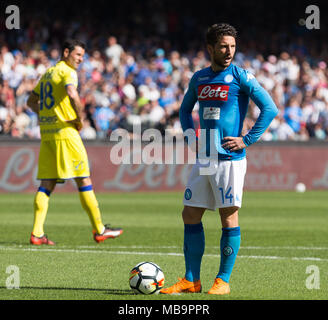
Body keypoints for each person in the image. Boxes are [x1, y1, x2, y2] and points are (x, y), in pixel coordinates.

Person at [160, 23, 278, 295]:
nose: (229, 52)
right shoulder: (199, 78)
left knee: (228, 217)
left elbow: (269, 109)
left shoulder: (241, 76)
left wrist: (246, 139)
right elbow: (185, 110)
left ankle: (222, 280)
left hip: (230, 158)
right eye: (223, 46)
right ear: (210, 47)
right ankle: (191, 280)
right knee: (189, 213)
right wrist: (191, 138)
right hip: (205, 158)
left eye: (233, 46)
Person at [27, 39, 123, 245]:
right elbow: (72, 94)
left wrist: (47, 115)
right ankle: (99, 229)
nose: (80, 59)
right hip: (65, 133)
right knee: (83, 179)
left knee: (47, 183)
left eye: (82, 56)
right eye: (77, 55)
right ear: (66, 52)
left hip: (48, 134)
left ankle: (37, 233)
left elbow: (31, 101)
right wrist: (79, 119)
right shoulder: (67, 72)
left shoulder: (48, 73)